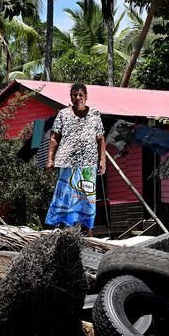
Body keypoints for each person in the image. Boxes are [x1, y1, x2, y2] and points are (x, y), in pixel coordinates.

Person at [45, 83, 106, 234]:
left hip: (88, 165)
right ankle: (63, 229)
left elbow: (100, 139)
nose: (78, 97)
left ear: (86, 97)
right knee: (65, 196)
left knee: (87, 198)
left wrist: (102, 160)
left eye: (81, 95)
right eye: (75, 95)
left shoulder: (95, 115)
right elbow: (54, 138)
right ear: (71, 97)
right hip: (67, 164)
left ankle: (86, 231)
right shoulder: (63, 114)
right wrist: (50, 159)